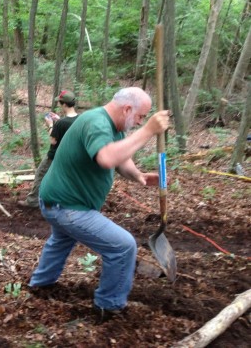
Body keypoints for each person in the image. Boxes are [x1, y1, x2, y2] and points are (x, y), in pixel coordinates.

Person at [28, 87, 170, 322]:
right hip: (67, 206)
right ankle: (109, 305)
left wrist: (139, 176)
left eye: (143, 119)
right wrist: (148, 130)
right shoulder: (96, 122)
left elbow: (121, 159)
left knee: (61, 240)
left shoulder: (112, 128)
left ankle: (40, 285)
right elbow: (107, 158)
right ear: (127, 109)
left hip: (60, 201)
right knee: (123, 246)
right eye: (140, 116)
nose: (139, 121)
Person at [19, 90, 78, 208]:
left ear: (64, 104)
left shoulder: (60, 123)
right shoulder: (80, 120)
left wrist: (51, 124)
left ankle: (33, 201)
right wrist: (58, 120)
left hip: (55, 155)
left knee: (40, 174)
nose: (60, 105)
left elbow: (53, 140)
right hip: (71, 156)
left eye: (60, 103)